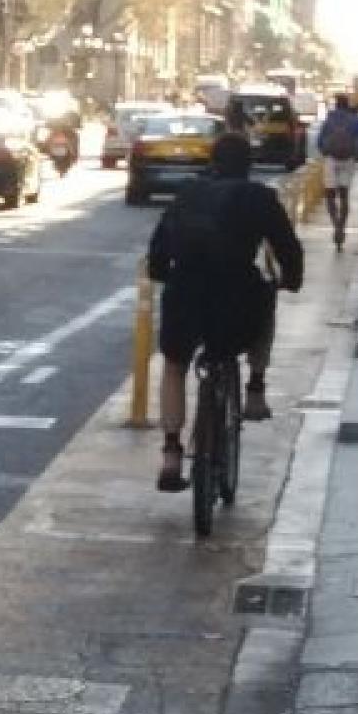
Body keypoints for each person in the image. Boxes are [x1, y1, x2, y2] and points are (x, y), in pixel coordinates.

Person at [147, 133, 304, 491]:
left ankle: (171, 454)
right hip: (235, 297)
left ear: (212, 162)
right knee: (267, 302)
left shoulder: (188, 193)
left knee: (174, 366)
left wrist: (164, 274)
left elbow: (159, 247)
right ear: (248, 164)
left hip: (185, 293)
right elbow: (286, 245)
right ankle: (255, 389)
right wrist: (291, 280)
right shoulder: (259, 197)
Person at [316, 94, 358, 250]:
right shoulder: (354, 120)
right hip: (348, 160)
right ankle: (342, 226)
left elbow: (320, 141)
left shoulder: (329, 120)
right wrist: (356, 153)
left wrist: (325, 151)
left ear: (336, 105)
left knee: (330, 195)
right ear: (347, 105)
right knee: (344, 194)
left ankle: (336, 225)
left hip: (331, 159)